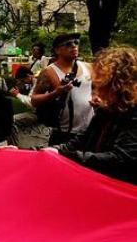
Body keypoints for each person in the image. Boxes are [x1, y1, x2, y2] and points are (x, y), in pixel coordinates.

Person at [49, 45, 137, 184]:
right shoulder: (107, 109)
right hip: (100, 181)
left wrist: (64, 155)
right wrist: (43, 151)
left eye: (103, 82)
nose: (97, 88)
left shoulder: (132, 111)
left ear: (118, 83)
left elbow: (120, 157)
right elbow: (82, 139)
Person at [29, 32, 93, 146]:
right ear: (57, 50)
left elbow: (99, 92)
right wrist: (55, 93)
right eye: (68, 44)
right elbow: (34, 100)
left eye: (76, 43)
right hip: (64, 133)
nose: (74, 46)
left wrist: (98, 100)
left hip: (90, 132)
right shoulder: (49, 72)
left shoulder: (89, 67)